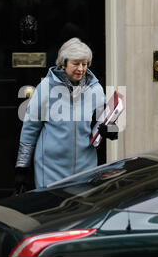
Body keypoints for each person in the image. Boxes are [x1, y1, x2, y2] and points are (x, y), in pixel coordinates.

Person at [15, 37, 118, 191]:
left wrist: (110, 131)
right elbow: (30, 127)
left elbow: (105, 120)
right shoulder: (45, 88)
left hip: (85, 167)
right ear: (63, 64)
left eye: (84, 64)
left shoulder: (95, 89)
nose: (81, 69)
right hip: (50, 168)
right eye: (75, 63)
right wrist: (22, 168)